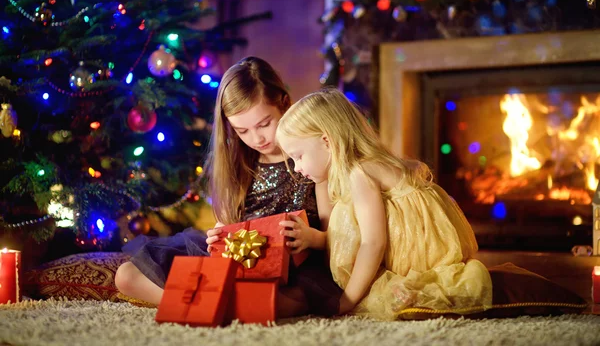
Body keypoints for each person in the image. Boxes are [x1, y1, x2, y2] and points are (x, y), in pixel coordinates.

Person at [115, 57, 342, 316]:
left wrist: (311, 238)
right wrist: (218, 237)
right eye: (242, 131)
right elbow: (227, 225)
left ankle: (212, 304)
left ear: (284, 103)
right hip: (240, 260)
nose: (256, 138)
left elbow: (332, 236)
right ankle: (216, 304)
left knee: (283, 299)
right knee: (126, 276)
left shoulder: (310, 156)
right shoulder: (237, 160)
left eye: (264, 124)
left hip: (296, 267)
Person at [275, 87, 493, 320]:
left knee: (372, 295)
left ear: (327, 141)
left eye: (298, 156)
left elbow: (374, 243)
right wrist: (315, 238)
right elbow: (352, 234)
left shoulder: (359, 173)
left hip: (413, 256)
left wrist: (347, 300)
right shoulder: (367, 164)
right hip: (427, 244)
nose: (297, 168)